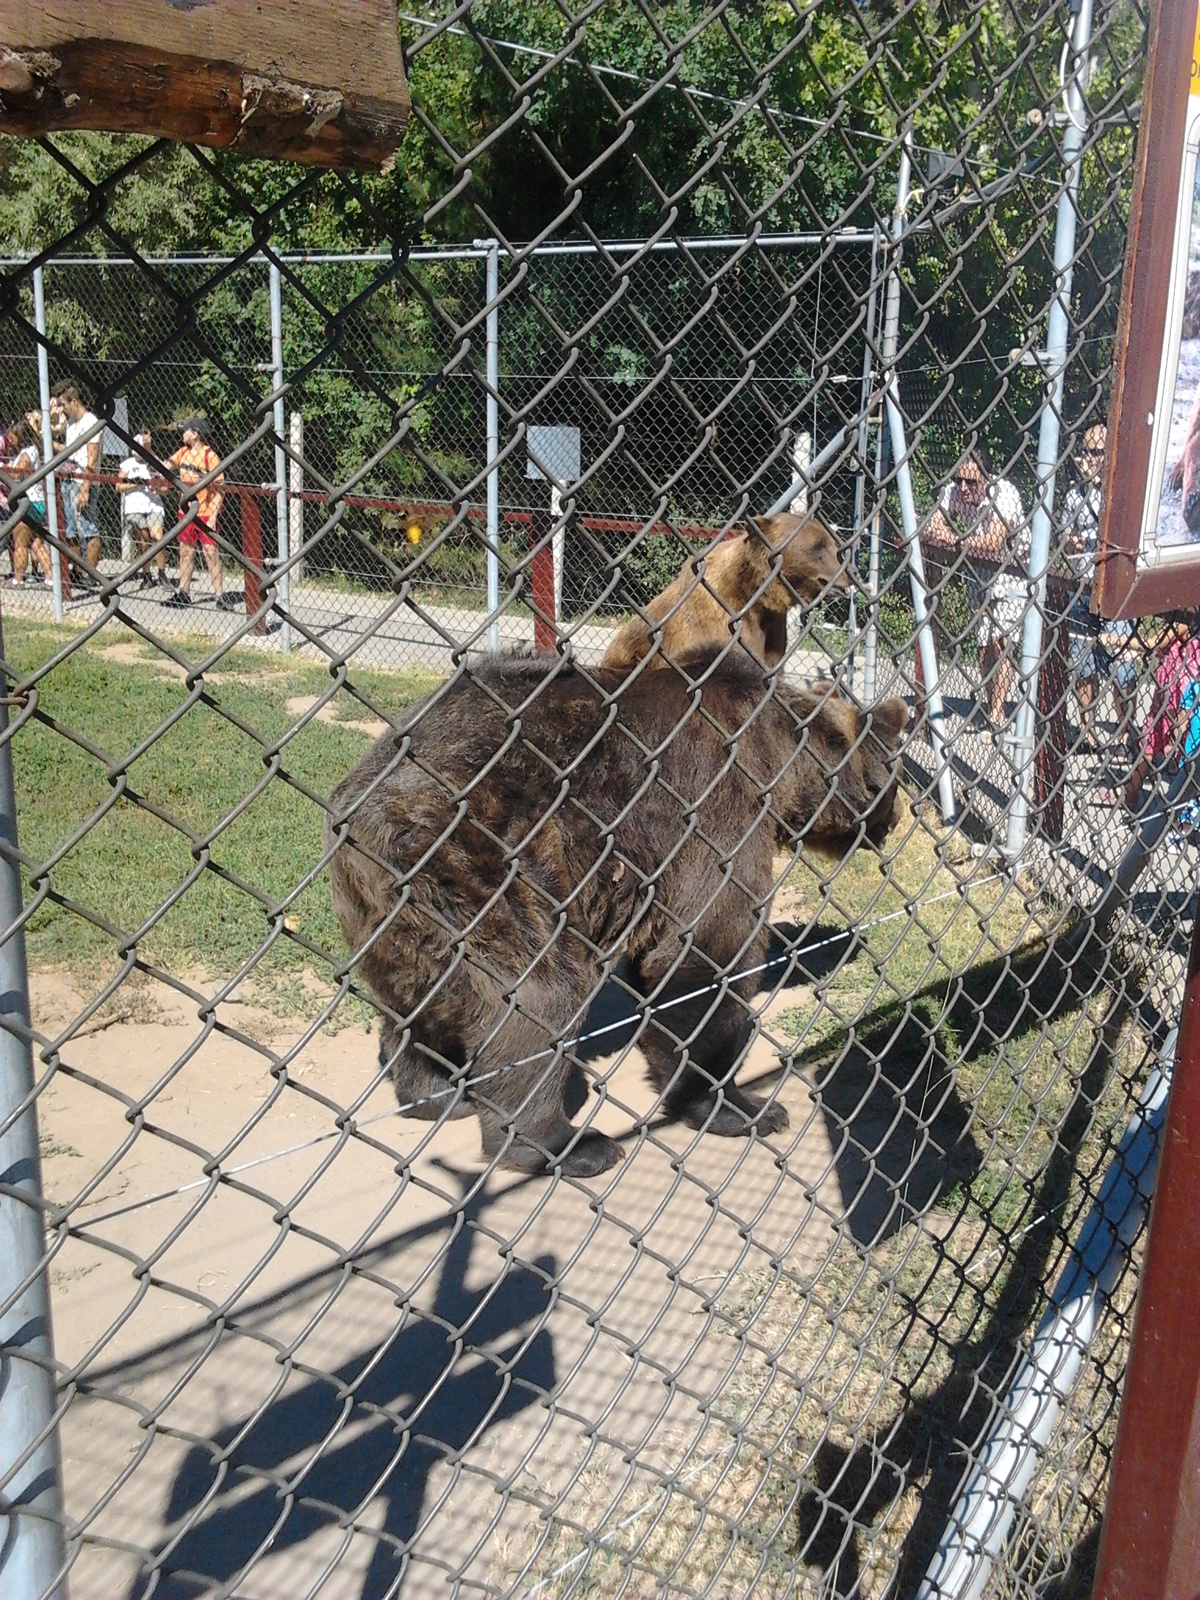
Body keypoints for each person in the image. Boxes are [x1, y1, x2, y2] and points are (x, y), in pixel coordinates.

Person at [926, 448, 1028, 726]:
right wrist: (960, 539)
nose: (963, 488)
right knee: (984, 643)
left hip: (1012, 568)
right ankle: (989, 700)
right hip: (980, 569)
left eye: (971, 482)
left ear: (986, 479)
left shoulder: (1003, 493)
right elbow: (932, 526)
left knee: (1002, 640)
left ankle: (996, 712)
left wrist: (955, 539)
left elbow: (995, 541)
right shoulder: (955, 490)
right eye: (959, 480)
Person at [1062, 424, 1138, 755]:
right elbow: (1065, 539)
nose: (1088, 459)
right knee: (1083, 663)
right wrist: (1072, 541)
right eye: (1086, 451)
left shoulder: (1121, 494)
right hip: (1082, 587)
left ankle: (1124, 733)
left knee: (1122, 666)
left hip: (1114, 593)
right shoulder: (1073, 496)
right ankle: (1087, 730)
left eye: (1096, 452)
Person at [1101, 611, 1200, 811]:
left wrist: (1115, 639)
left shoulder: (1185, 617)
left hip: (1181, 689)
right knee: (1150, 740)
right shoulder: (1180, 613)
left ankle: (1180, 805)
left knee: (1178, 745)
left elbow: (1154, 642)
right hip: (1167, 686)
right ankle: (1132, 789)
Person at [164, 417, 234, 610]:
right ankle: (183, 593)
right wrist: (148, 449)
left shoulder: (209, 456)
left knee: (210, 552)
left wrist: (213, 515)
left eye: (186, 430)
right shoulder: (183, 453)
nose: (182, 434)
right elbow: (166, 466)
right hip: (185, 511)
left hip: (204, 511)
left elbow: (220, 488)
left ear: (195, 434)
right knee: (185, 551)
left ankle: (220, 596)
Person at [55, 382, 103, 589]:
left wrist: (85, 488)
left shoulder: (90, 421)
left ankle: (90, 573)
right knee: (72, 530)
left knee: (88, 527)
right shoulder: (71, 424)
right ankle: (76, 571)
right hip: (68, 478)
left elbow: (91, 459)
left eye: (63, 404)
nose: (62, 408)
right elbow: (71, 451)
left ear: (74, 401)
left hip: (83, 480)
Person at [3, 419, 52, 587]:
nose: (10, 440)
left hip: (28, 503)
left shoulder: (26, 454)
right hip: (37, 502)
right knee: (36, 543)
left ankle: (18, 579)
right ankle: (50, 577)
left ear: (20, 436)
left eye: (12, 437)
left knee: (20, 543)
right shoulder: (30, 451)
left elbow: (16, 476)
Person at [117, 431, 168, 589]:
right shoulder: (128, 465)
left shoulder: (153, 463)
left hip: (153, 504)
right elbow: (119, 486)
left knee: (157, 537)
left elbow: (165, 487)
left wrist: (158, 488)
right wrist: (137, 483)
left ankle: (162, 572)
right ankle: (147, 575)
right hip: (135, 507)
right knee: (143, 539)